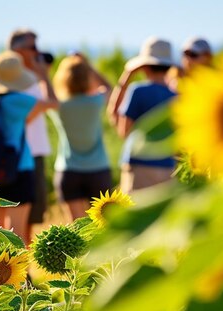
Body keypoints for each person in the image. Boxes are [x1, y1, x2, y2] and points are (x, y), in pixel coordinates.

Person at [0, 51, 56, 245]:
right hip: (19, 167)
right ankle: (21, 275)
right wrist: (43, 75)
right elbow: (53, 103)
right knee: (17, 233)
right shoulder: (20, 100)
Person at [107, 37, 177, 193]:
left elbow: (124, 131)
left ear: (144, 67)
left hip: (139, 163)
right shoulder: (176, 97)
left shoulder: (137, 91)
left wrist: (126, 77)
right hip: (167, 165)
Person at [51, 53, 113, 221]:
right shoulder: (95, 102)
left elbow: (49, 96)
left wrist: (42, 71)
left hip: (68, 170)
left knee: (77, 228)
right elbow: (110, 88)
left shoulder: (60, 106)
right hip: (98, 170)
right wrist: (88, 65)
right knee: (104, 225)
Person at [8, 28, 57, 236]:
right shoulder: (13, 81)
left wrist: (42, 76)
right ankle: (19, 267)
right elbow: (52, 104)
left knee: (31, 218)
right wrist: (44, 76)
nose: (37, 52)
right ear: (17, 51)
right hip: (22, 154)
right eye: (32, 48)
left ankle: (23, 267)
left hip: (34, 151)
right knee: (19, 217)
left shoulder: (30, 79)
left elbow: (51, 103)